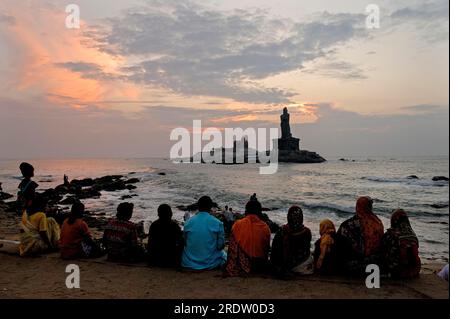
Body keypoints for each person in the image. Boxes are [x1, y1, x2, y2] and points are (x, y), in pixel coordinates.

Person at [337, 196, 384, 275]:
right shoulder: (378, 222)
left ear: (357, 207)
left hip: (356, 264)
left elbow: (338, 242)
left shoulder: (348, 224)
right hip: (376, 263)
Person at [224, 200, 271, 276]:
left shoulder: (237, 224)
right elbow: (266, 249)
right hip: (259, 265)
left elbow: (232, 248)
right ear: (259, 212)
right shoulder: (265, 227)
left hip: (241, 264)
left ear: (246, 211)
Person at [181, 196, 227, 270]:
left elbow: (185, 243)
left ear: (198, 206)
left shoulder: (188, 222)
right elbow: (220, 246)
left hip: (188, 262)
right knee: (224, 255)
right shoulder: (218, 223)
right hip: (211, 263)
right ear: (210, 207)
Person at [271, 205, 313, 277]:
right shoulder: (307, 231)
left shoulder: (282, 231)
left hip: (289, 266)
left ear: (288, 217)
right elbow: (307, 248)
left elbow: (275, 250)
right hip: (305, 266)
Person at [381, 209, 421, 279]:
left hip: (396, 271)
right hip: (414, 270)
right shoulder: (413, 235)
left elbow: (382, 250)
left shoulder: (390, 234)